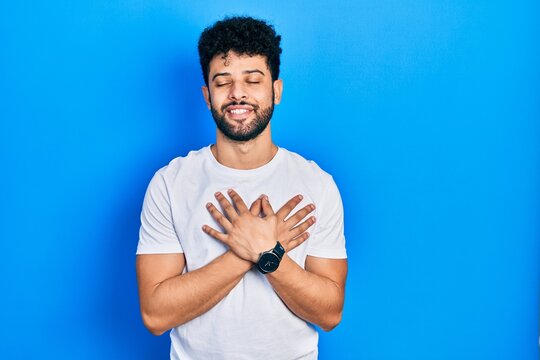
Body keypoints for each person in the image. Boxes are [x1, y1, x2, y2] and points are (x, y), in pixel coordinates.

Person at [136, 16, 348, 360]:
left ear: (275, 91)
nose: (238, 94)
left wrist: (268, 253)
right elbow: (156, 314)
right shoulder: (170, 183)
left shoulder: (317, 184)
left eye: (253, 80)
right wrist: (254, 252)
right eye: (223, 82)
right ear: (207, 95)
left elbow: (329, 313)